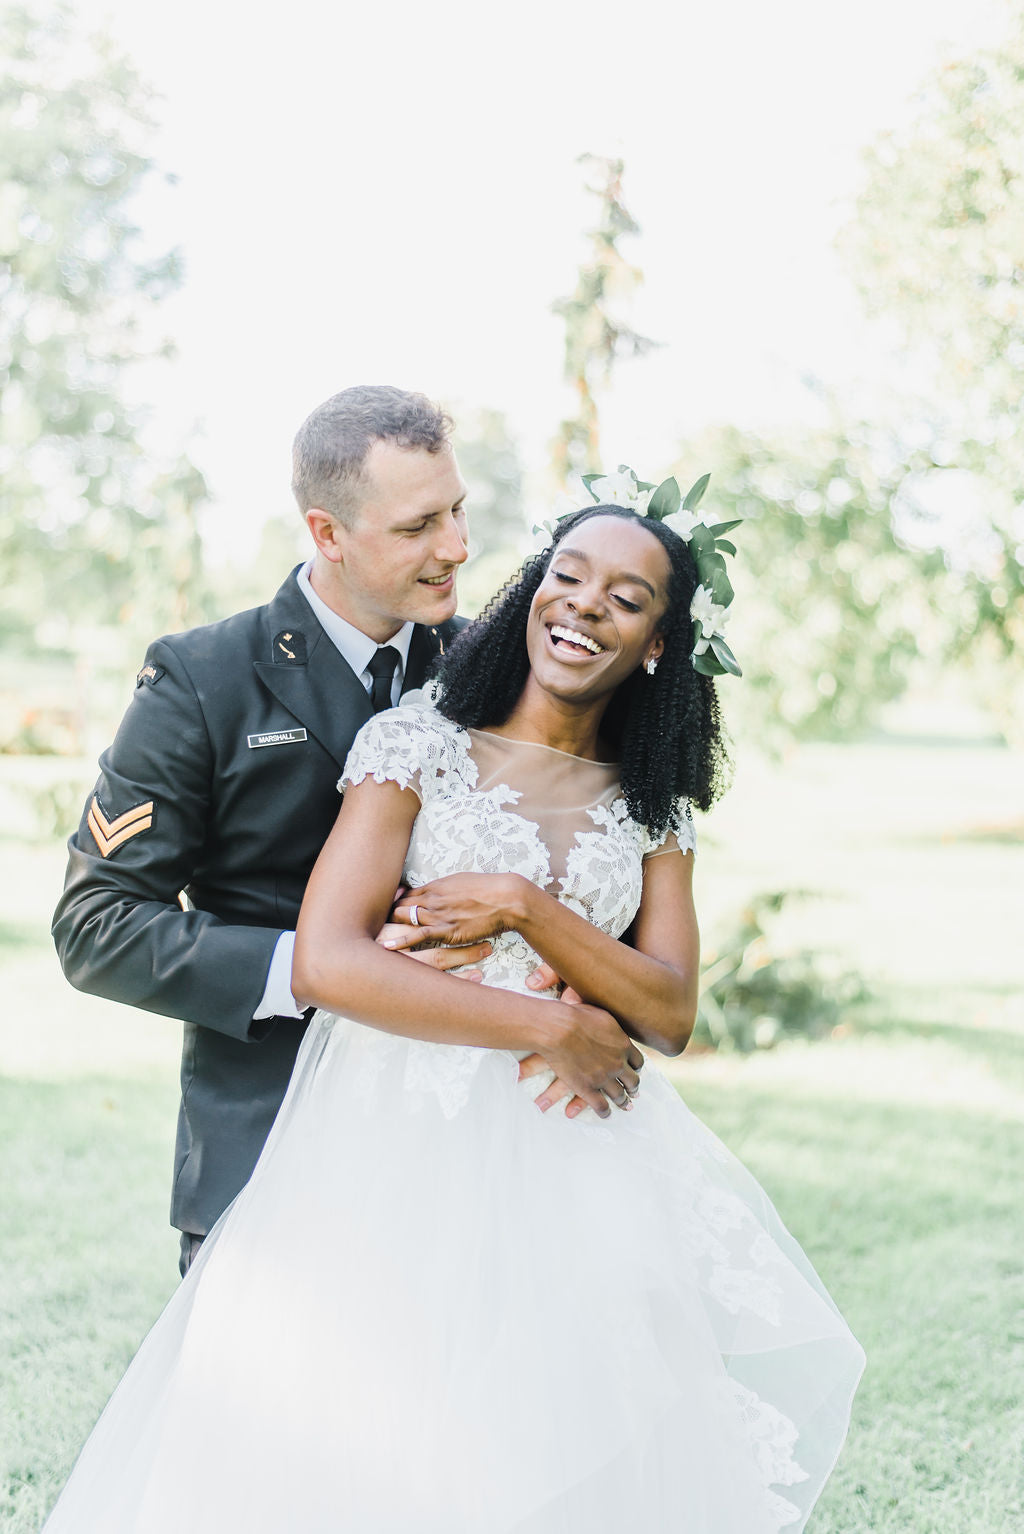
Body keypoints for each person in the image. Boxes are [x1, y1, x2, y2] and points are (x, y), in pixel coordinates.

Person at [43, 503, 865, 1533]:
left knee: (571, 1420)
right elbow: (333, 956)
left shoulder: (655, 803)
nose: (583, 609)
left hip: (580, 1149)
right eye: (566, 577)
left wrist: (528, 910)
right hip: (395, 1124)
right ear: (531, 589)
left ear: (658, 643)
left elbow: (667, 1008)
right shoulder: (417, 745)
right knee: (383, 1420)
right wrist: (548, 1024)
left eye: (625, 598)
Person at [51, 384, 490, 1274]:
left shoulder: (492, 671)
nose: (456, 548)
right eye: (417, 528)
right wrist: (318, 967)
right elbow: (96, 924)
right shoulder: (202, 678)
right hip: (268, 1146)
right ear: (327, 533)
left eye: (456, 511)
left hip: (470, 1150)